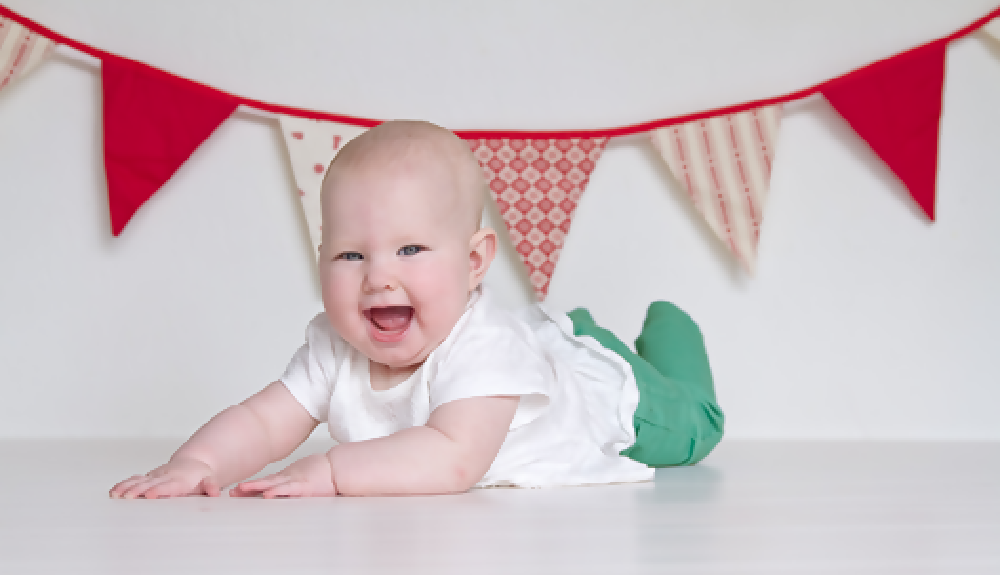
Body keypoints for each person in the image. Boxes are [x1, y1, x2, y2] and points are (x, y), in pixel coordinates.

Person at [109, 121, 723, 499]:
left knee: (698, 428)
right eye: (351, 254)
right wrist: (195, 462)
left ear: (476, 261)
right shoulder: (335, 347)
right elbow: (265, 421)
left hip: (610, 396)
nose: (379, 276)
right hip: (545, 345)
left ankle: (670, 328)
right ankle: (601, 329)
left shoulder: (484, 346)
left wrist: (330, 471)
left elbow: (454, 457)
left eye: (410, 249)